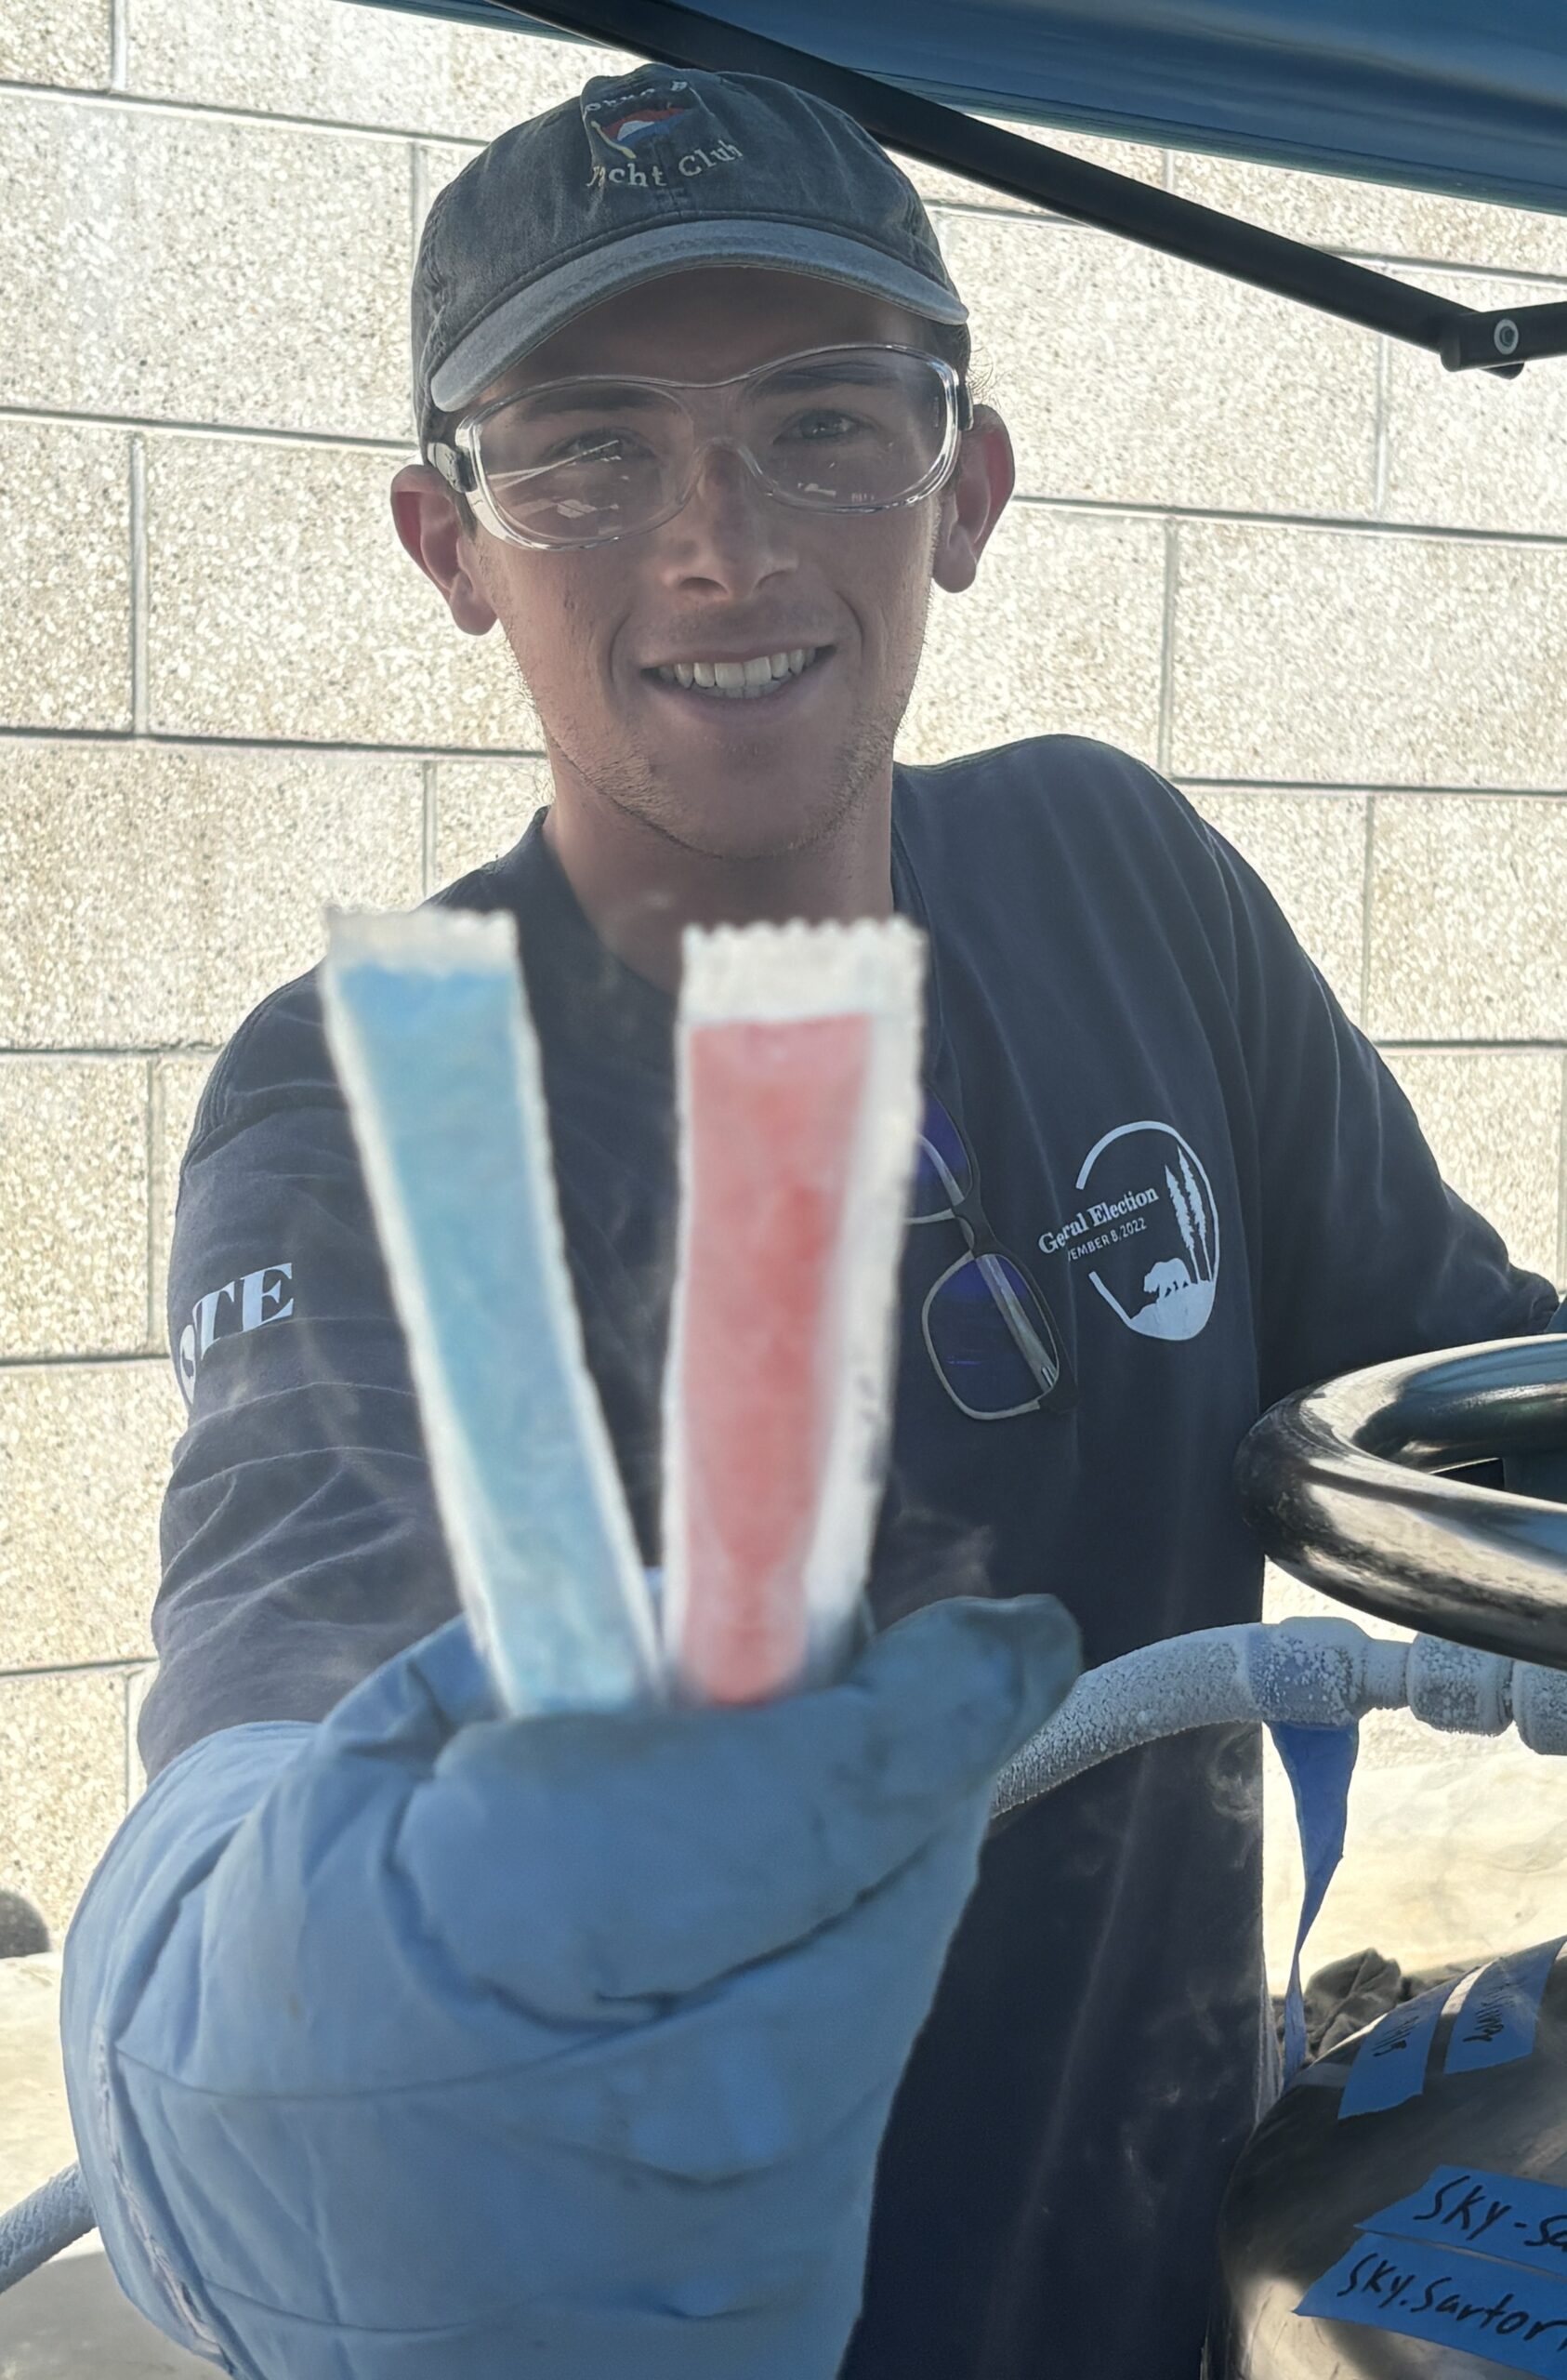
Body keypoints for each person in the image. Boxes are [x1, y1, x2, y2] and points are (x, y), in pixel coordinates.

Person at [61, 60, 1559, 2380]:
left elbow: (1480, 1418)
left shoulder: (1114, 875)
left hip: (1173, 2301)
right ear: (446, 545)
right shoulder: (384, 1094)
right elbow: (276, 1676)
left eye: (824, 422)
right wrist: (269, 2020)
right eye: (584, 448)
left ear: (963, 488)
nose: (718, 543)